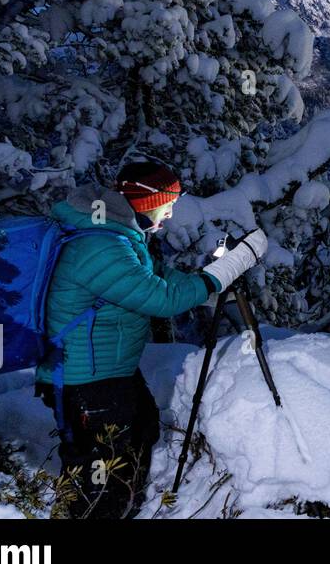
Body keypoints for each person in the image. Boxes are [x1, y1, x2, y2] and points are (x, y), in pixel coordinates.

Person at [35, 160, 267, 518]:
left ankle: (118, 508)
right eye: (166, 204)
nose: (171, 214)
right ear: (144, 203)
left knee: (141, 431)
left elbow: (156, 278)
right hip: (86, 381)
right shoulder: (101, 245)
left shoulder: (116, 233)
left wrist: (206, 289)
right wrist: (229, 268)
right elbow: (162, 299)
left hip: (108, 372)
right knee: (104, 469)